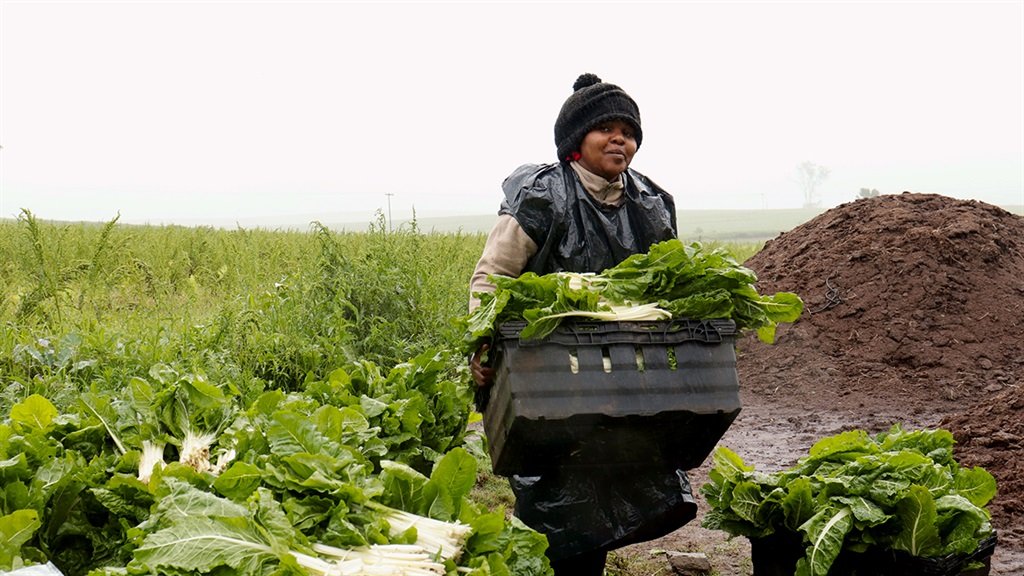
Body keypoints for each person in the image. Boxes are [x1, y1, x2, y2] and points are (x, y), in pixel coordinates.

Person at [468, 73, 696, 575]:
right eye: (606, 129)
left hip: (624, 369)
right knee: (561, 487)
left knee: (619, 469)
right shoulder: (542, 195)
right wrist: (482, 347)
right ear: (576, 140)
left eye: (628, 131)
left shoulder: (651, 202)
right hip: (548, 369)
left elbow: (668, 285)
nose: (621, 140)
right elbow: (493, 276)